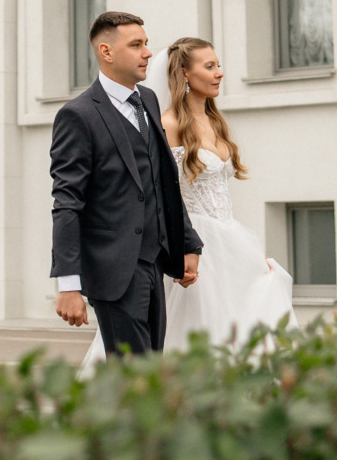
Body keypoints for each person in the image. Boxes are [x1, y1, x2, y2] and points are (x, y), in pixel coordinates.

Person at [80, 36, 295, 365]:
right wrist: (181, 247)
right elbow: (161, 191)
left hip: (229, 240)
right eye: (209, 66)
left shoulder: (215, 122)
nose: (219, 73)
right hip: (192, 244)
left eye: (218, 65)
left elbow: (220, 201)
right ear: (183, 74)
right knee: (199, 334)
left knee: (255, 306)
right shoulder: (168, 125)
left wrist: (250, 254)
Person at [50, 11, 203, 356]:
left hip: (154, 262)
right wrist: (69, 285)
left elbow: (164, 180)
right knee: (134, 375)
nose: (148, 52)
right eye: (136, 45)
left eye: (146, 44)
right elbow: (67, 202)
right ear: (106, 52)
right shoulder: (79, 115)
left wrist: (188, 243)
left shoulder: (147, 100)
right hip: (113, 272)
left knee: (149, 371)